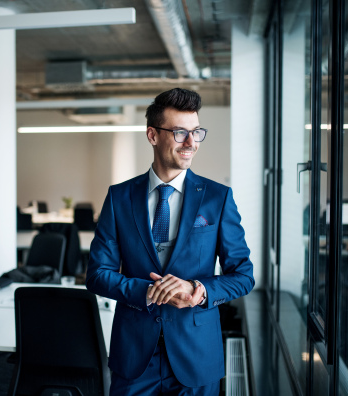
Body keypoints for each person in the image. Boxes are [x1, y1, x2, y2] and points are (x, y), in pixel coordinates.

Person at [86, 88, 255, 395]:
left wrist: (198, 290)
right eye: (180, 133)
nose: (191, 143)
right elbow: (97, 274)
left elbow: (243, 276)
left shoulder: (218, 198)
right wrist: (149, 292)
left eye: (196, 132)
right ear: (153, 135)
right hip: (135, 357)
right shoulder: (119, 198)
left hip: (196, 356)